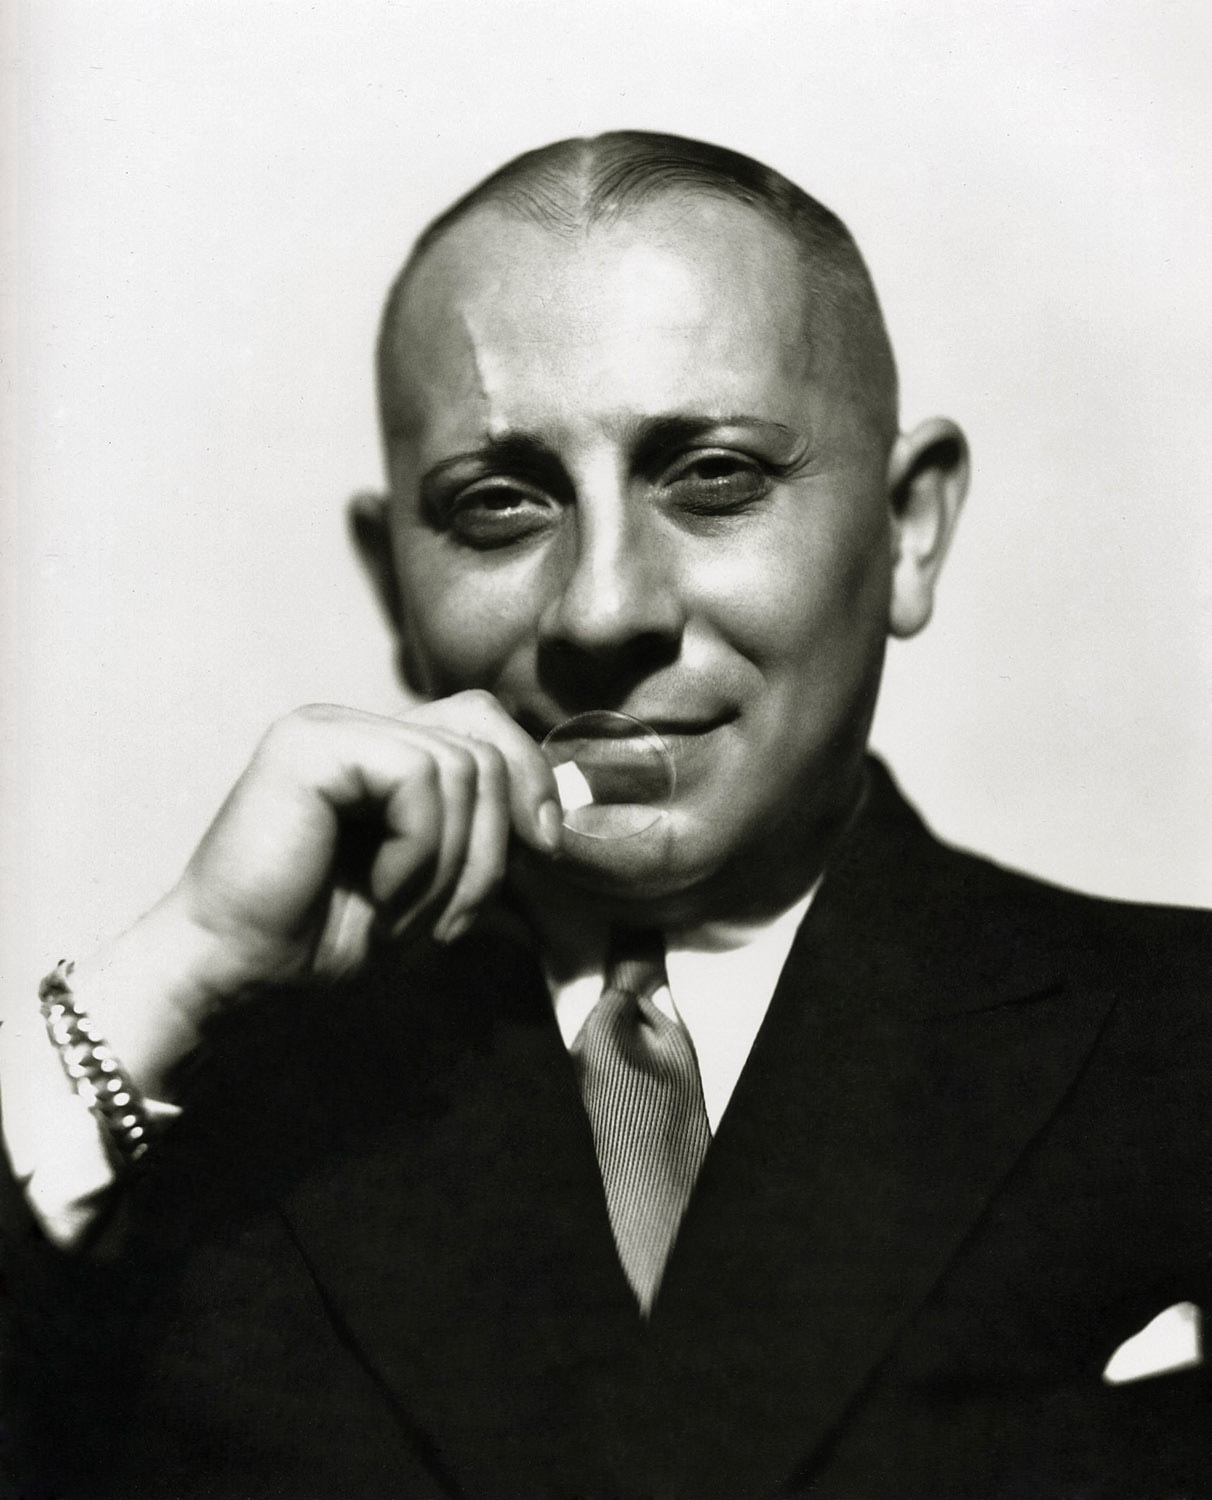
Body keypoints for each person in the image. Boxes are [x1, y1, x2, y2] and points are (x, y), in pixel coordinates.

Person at [1, 131, 1209, 1500]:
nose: (602, 609)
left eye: (715, 478)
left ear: (909, 528)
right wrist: (175, 967)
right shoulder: (178, 1124)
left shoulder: (1182, 1043)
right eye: (498, 506)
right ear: (393, 580)